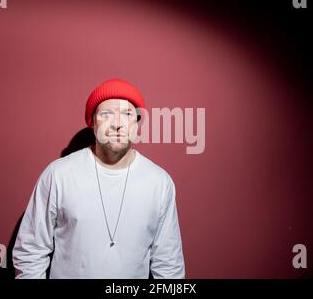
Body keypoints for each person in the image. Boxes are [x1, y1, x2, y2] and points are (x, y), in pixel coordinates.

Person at [12, 78, 185, 278]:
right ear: (93, 123)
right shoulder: (58, 174)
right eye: (106, 114)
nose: (117, 124)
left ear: (137, 124)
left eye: (127, 114)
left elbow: (169, 264)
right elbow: (30, 250)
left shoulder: (159, 182)